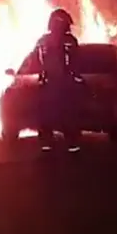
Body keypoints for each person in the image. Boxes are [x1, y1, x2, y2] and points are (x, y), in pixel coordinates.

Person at [33, 8, 84, 153]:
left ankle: (47, 142)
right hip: (65, 84)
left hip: (48, 84)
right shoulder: (70, 41)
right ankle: (71, 142)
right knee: (68, 112)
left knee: (47, 113)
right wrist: (77, 78)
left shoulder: (42, 41)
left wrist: (40, 77)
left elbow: (35, 62)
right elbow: (76, 62)